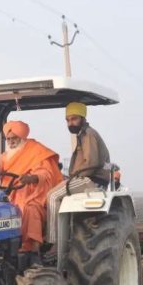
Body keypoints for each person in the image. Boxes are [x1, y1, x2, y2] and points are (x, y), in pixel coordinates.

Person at [46, 102, 112, 244]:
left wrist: (72, 176)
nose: (70, 123)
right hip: (87, 178)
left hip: (91, 180)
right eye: (68, 120)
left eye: (74, 118)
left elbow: (91, 162)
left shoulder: (88, 134)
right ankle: (66, 236)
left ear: (82, 118)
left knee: (52, 196)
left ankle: (53, 243)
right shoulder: (82, 135)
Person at [0, 120, 63, 262]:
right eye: (8, 139)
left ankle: (32, 249)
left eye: (14, 138)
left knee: (30, 208)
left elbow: (45, 173)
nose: (11, 142)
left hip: (33, 196)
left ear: (22, 138)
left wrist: (32, 178)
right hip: (9, 196)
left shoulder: (36, 151)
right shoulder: (5, 156)